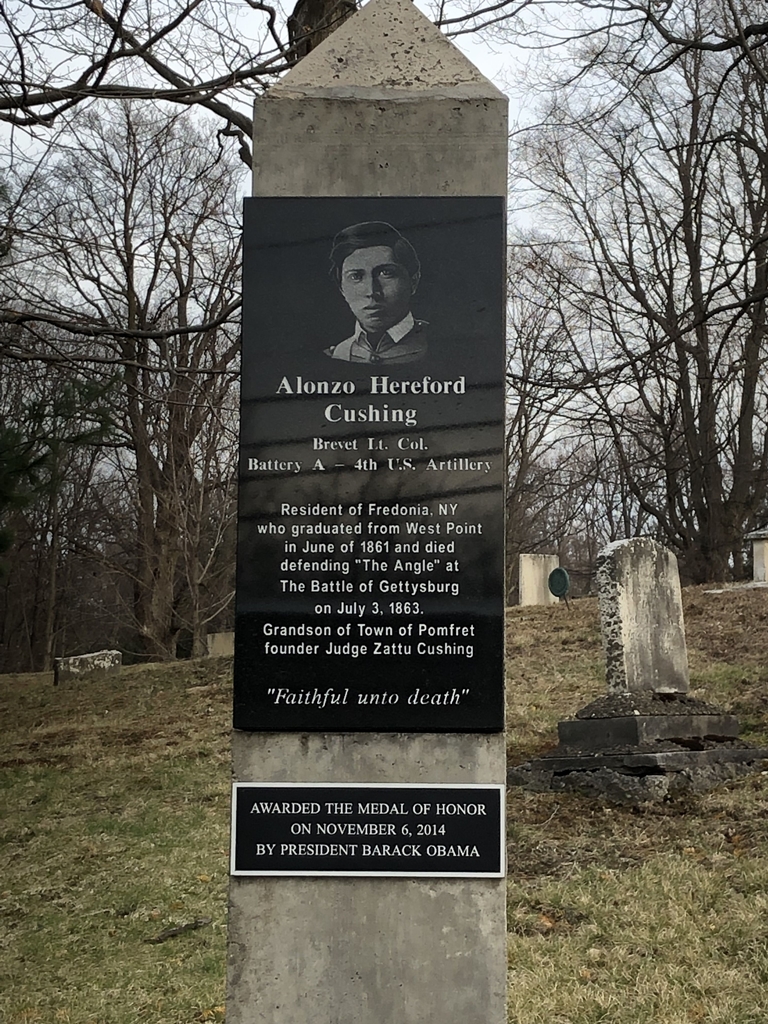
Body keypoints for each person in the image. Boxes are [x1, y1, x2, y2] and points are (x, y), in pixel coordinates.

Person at [325, 221, 428, 363]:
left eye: (386, 273)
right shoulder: (337, 354)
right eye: (356, 276)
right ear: (341, 288)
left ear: (413, 281)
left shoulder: (445, 346)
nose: (372, 292)